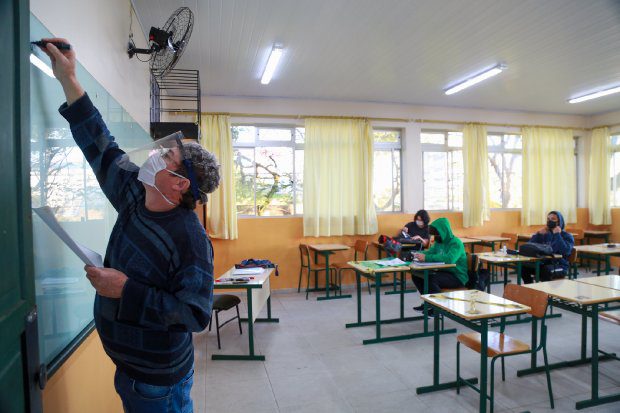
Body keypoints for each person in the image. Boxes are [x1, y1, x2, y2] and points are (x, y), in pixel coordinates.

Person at [39, 38, 220, 413]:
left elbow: (194, 314)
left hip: (157, 381)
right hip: (129, 367)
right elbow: (101, 144)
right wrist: (69, 78)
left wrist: (125, 289)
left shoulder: (191, 240)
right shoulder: (134, 194)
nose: (155, 153)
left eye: (166, 154)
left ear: (180, 183)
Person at [412, 217, 468, 315]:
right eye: (434, 234)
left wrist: (427, 258)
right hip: (444, 272)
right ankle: (429, 302)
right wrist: (417, 254)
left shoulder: (456, 243)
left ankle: (438, 308)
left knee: (431, 278)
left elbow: (449, 259)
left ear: (444, 231)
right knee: (417, 275)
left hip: (457, 276)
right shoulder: (439, 242)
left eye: (437, 234)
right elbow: (430, 252)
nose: (435, 236)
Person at [521, 211, 574, 284]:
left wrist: (557, 235)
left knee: (545, 271)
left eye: (553, 219)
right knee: (523, 268)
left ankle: (546, 293)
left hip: (559, 266)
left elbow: (565, 251)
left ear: (559, 222)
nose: (550, 221)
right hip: (545, 263)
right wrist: (538, 234)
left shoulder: (567, 236)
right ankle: (530, 287)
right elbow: (530, 246)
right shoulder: (546, 234)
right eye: (548, 219)